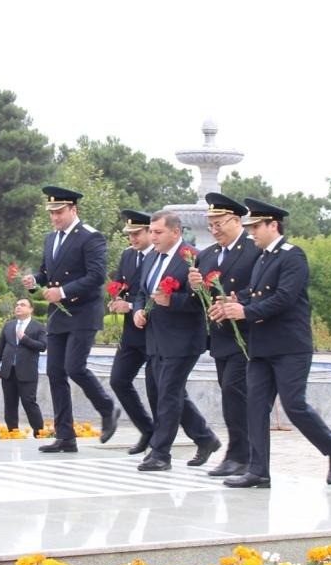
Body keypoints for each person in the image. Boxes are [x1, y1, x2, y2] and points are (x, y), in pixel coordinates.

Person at [210, 198, 331, 489]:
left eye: (256, 227)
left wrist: (245, 311)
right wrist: (236, 301)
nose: (251, 233)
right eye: (249, 227)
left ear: (273, 225)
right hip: (261, 347)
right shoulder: (263, 257)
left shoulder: (292, 256)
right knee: (256, 407)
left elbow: (284, 298)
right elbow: (256, 291)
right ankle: (259, 471)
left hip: (289, 346)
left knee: (294, 405)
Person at [22, 185, 119, 452]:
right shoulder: (51, 238)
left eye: (59, 212)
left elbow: (97, 276)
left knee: (75, 367)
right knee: (55, 372)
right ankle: (65, 436)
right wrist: (34, 282)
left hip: (83, 312)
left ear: (73, 209)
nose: (55, 217)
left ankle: (107, 407)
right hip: (59, 315)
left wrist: (62, 291)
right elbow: (46, 273)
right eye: (52, 212)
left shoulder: (91, 237)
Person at [130, 212, 220, 471]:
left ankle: (160, 453)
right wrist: (138, 310)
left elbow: (201, 299)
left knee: (168, 394)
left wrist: (173, 301)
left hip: (183, 339)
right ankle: (205, 438)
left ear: (175, 232)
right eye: (151, 231)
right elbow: (141, 292)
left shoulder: (192, 257)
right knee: (161, 392)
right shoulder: (150, 259)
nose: (152, 237)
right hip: (155, 337)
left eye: (158, 232)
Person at [187, 192, 261, 478]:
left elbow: (260, 289)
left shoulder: (253, 250)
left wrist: (237, 301)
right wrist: (195, 287)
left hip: (247, 336)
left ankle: (243, 455)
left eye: (219, 223)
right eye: (211, 225)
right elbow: (198, 303)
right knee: (229, 394)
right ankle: (237, 453)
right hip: (221, 338)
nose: (215, 229)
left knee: (236, 392)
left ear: (235, 220)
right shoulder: (206, 256)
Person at [107, 209, 159, 455]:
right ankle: (147, 429)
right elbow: (122, 285)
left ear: (150, 231)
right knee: (118, 379)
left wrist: (129, 306)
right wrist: (117, 301)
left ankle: (199, 435)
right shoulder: (128, 255)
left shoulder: (159, 256)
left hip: (153, 331)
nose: (133, 239)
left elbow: (153, 294)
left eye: (137, 234)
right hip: (131, 332)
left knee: (158, 387)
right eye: (130, 234)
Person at [0, 297, 47, 433]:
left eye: (22, 305)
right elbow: (0, 349)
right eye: (17, 305)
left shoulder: (38, 327)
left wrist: (25, 339)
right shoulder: (8, 325)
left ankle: (40, 433)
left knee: (29, 403)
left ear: (31, 309)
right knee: (10, 405)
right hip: (8, 372)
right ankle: (12, 433)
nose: (18, 307)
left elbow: (43, 346)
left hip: (27, 373)